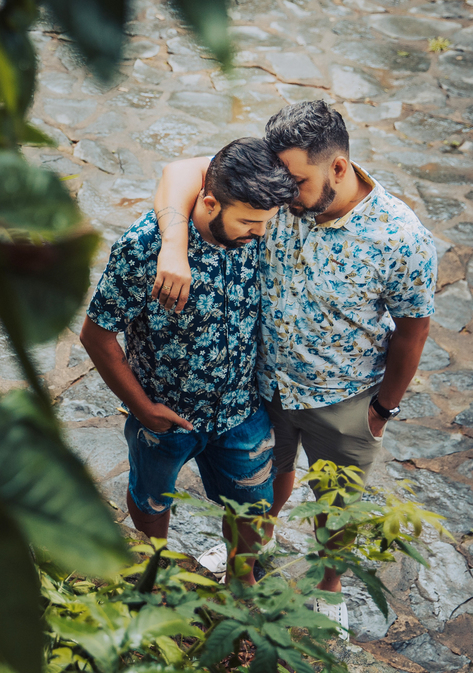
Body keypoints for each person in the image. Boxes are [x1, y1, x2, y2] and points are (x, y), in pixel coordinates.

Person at [149, 101, 436, 633]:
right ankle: (258, 545)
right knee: (267, 478)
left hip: (344, 396)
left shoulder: (402, 238)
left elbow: (413, 330)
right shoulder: (279, 194)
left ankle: (329, 583)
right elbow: (181, 171)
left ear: (338, 168)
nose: (283, 195)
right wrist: (172, 243)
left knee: (336, 499)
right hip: (264, 383)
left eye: (297, 181)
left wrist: (383, 409)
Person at [79, 137, 299, 585]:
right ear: (211, 202)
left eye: (265, 224)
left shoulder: (256, 231)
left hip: (241, 411)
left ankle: (241, 579)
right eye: (250, 223)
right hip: (164, 415)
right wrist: (143, 409)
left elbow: (193, 167)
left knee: (253, 505)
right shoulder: (142, 249)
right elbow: (96, 335)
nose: (260, 234)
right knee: (151, 498)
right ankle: (152, 569)